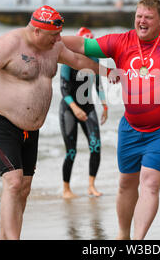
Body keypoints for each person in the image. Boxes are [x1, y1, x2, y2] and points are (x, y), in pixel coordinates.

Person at [62, 0, 160, 240]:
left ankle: (138, 240)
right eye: (138, 17)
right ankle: (123, 235)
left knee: (150, 183)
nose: (142, 21)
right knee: (126, 184)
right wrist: (51, 37)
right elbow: (83, 46)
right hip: (131, 128)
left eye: (148, 17)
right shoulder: (121, 41)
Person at [0, 5, 112, 240]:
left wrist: (112, 73)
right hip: (1, 120)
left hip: (31, 129)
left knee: (24, 188)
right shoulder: (9, 44)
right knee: (13, 182)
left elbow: (80, 62)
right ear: (37, 32)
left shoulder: (54, 47)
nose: (60, 39)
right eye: (54, 35)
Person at [59, 27, 108, 199]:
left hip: (88, 108)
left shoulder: (94, 59)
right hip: (69, 109)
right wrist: (75, 108)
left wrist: (104, 105)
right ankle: (66, 189)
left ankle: (91, 186)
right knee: (71, 151)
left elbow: (98, 85)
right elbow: (64, 90)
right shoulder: (67, 60)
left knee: (96, 147)